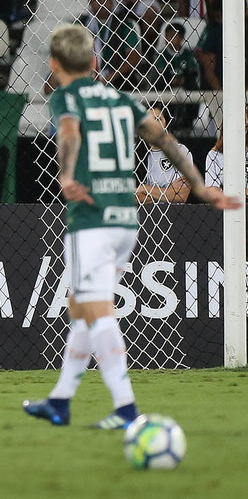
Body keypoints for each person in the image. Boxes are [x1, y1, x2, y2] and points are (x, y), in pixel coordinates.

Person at [23, 24, 240, 430]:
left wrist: (67, 173)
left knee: (96, 307)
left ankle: (126, 409)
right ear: (95, 62)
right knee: (81, 305)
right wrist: (200, 187)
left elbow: (68, 132)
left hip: (92, 218)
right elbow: (169, 142)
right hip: (126, 218)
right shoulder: (125, 100)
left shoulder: (66, 97)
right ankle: (60, 401)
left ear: (54, 66)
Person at [77, 0, 143, 92]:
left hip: (118, 79)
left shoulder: (124, 24)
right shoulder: (81, 24)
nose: (103, 3)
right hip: (87, 77)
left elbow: (133, 59)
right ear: (91, 3)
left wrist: (110, 77)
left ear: (112, 2)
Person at [136, 105, 191, 205]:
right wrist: (168, 192)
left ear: (166, 123)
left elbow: (181, 195)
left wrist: (144, 188)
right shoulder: (134, 153)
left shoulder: (180, 151)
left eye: (158, 119)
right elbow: (128, 198)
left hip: (175, 216)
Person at [204, 116, 248, 200]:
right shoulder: (214, 156)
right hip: (227, 207)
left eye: (245, 126)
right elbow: (211, 191)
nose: (242, 130)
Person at [151, 22, 199, 91]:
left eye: (172, 36)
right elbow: (160, 72)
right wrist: (171, 79)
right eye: (167, 36)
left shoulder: (188, 54)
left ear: (181, 38)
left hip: (185, 88)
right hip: (166, 89)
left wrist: (183, 79)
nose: (168, 38)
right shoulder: (161, 54)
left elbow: (192, 71)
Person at [195, 0, 222, 91]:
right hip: (218, 93)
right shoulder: (213, 33)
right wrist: (222, 97)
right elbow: (209, 70)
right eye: (218, 17)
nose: (220, 21)